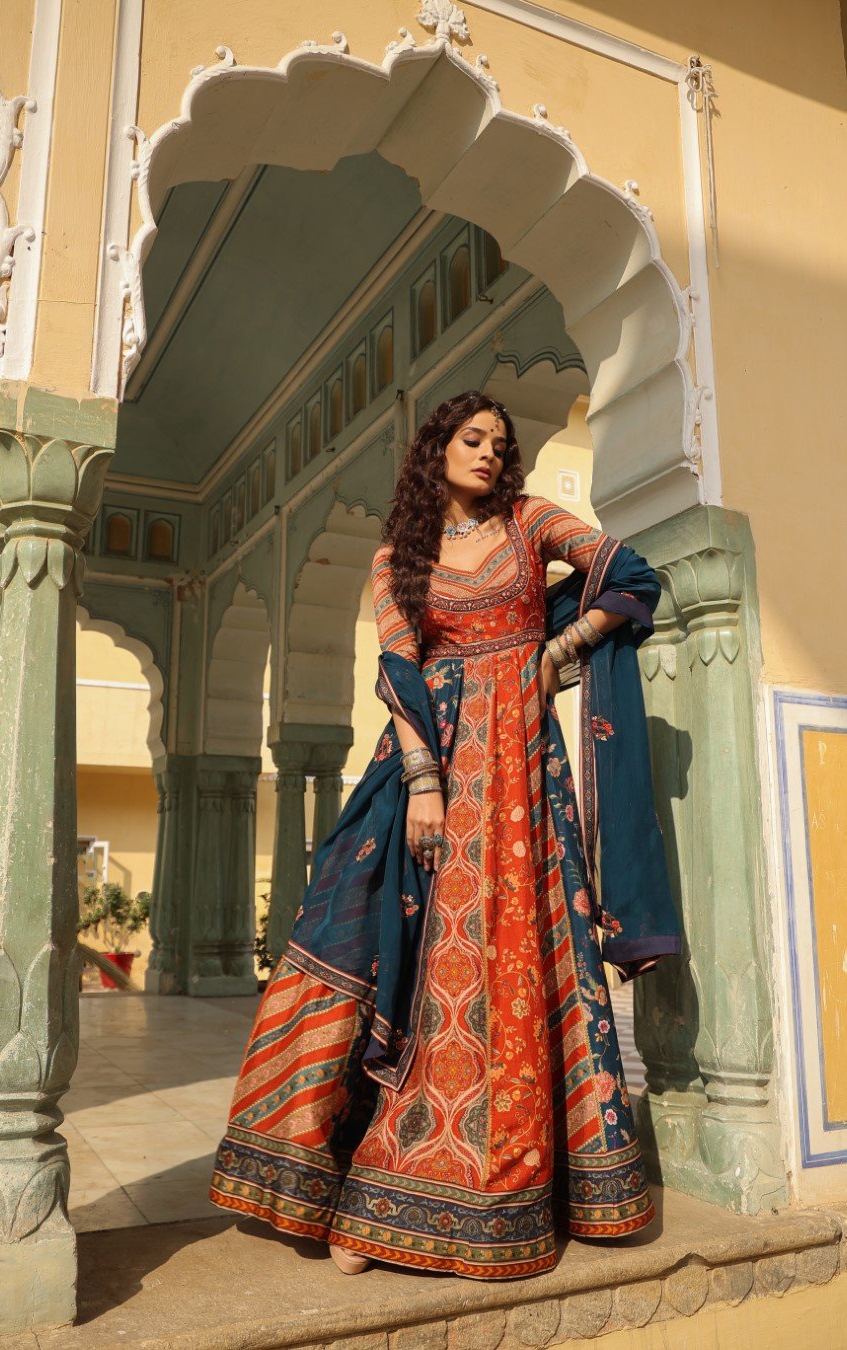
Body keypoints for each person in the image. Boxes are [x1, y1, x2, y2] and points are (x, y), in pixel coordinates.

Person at [209, 390, 680, 1279]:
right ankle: (355, 1178)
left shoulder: (532, 523)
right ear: (438, 450)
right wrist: (424, 781)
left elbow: (635, 575)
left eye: (502, 445)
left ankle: (519, 1183)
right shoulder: (401, 559)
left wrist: (560, 645)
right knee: (416, 952)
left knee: (517, 953)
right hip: (437, 766)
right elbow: (398, 669)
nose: (491, 455)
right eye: (473, 440)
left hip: (525, 776)